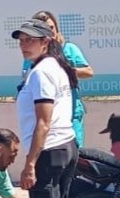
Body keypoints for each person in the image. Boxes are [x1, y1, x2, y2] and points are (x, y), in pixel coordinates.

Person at [13, 18, 80, 198]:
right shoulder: (55, 67)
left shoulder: (42, 73)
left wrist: (30, 164)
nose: (24, 45)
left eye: (30, 40)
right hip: (65, 147)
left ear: (45, 41)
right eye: (21, 40)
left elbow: (43, 122)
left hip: (50, 152)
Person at [23, 10, 94, 148]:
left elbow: (89, 72)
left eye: (52, 28)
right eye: (44, 29)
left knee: (75, 154)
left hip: (70, 113)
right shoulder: (32, 55)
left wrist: (68, 71)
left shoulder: (69, 49)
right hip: (45, 114)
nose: (50, 32)